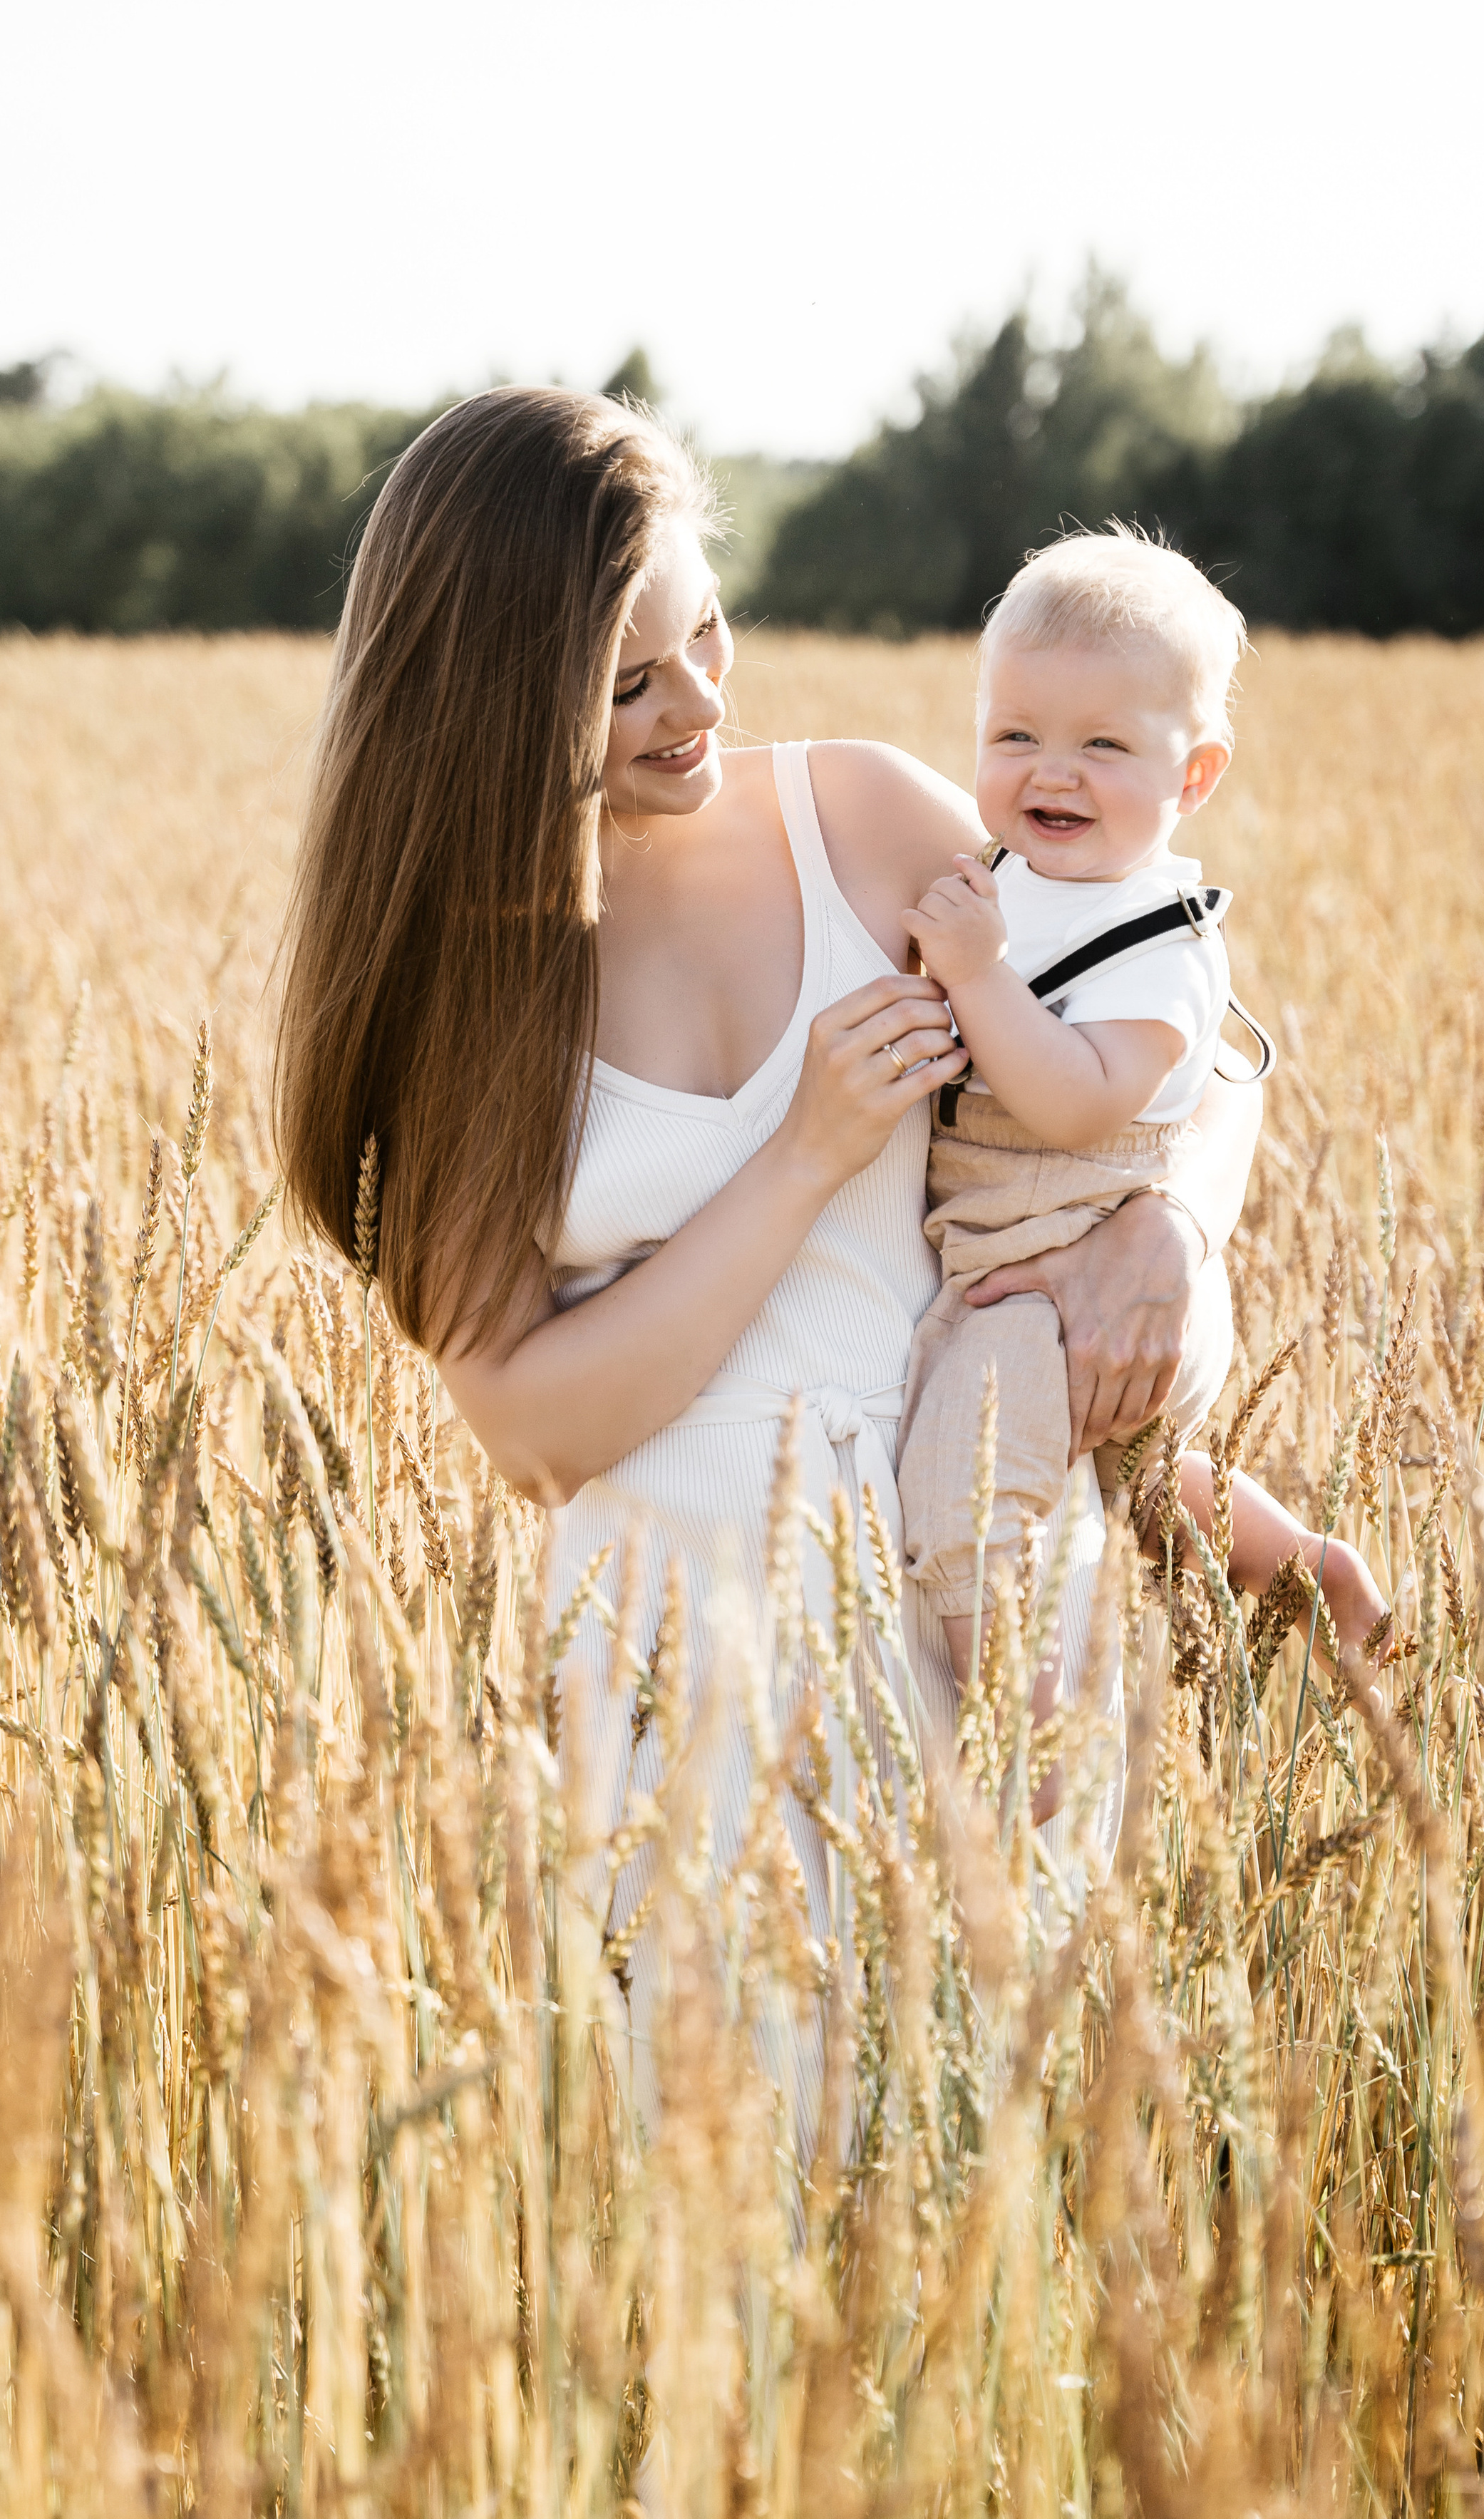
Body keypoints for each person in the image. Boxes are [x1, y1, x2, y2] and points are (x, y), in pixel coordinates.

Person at [270, 393, 1262, 2144]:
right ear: (495, 694)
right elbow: (527, 1429)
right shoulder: (460, 991)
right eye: (629, 680)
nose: (701, 705)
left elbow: (1172, 1035)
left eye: (705, 635)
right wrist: (805, 1152)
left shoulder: (864, 822)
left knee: (999, 2214)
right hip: (674, 1669)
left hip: (986, 1618)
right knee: (732, 2244)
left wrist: (1173, 1230)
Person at [896, 531, 1383, 1780]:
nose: (1052, 772)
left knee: (962, 1471)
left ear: (1196, 774)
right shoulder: (1016, 878)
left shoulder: (1159, 940)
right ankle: (1312, 1570)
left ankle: (1030, 1718)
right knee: (1139, 1478)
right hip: (1028, 1265)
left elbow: (1070, 1102)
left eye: (1104, 746)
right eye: (1015, 736)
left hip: (1082, 1274)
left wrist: (971, 974)